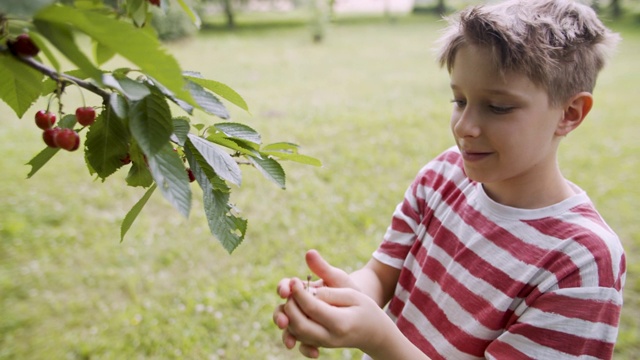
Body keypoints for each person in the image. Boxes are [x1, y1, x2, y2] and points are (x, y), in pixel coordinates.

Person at [272, 0, 626, 358]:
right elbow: (380, 276)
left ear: (569, 113)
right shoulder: (444, 175)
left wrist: (379, 338)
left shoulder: (581, 263)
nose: (464, 127)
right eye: (459, 100)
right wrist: (336, 299)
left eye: (498, 107)